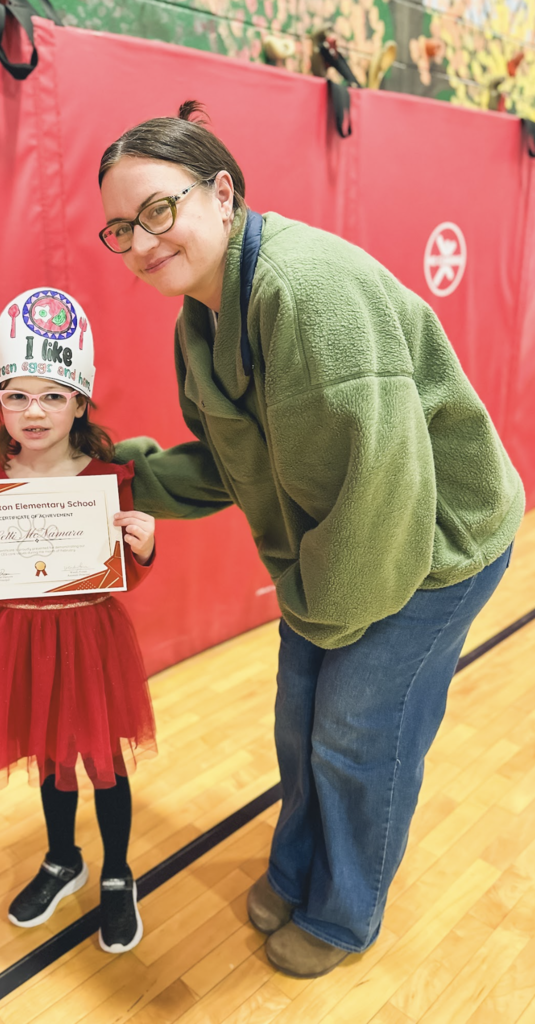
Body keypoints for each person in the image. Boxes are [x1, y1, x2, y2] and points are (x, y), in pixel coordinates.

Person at [97, 103, 524, 978]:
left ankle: (342, 913)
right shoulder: (203, 318)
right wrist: (125, 484)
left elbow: (383, 493)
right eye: (120, 228)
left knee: (358, 735)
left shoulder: (307, 290)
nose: (141, 242)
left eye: (157, 210)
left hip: (436, 541)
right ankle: (293, 870)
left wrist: (317, 619)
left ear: (222, 193)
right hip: (342, 549)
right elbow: (231, 462)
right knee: (301, 727)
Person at [0, 288, 157, 954]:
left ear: (79, 402)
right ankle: (61, 859)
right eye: (17, 397)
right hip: (21, 640)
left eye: (51, 395)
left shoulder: (109, 478)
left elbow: (124, 574)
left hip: (89, 637)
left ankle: (115, 872)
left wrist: (144, 545)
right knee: (52, 759)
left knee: (104, 760)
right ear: (0, 406)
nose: (34, 411)